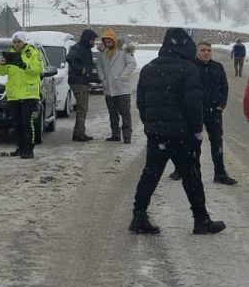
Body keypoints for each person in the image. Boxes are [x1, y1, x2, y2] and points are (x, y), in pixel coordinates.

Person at [129, 28, 225, 235]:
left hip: (157, 134)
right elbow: (193, 104)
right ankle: (201, 220)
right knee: (192, 176)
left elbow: (141, 102)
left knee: (150, 174)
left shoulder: (149, 68)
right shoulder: (188, 69)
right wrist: (197, 130)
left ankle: (139, 215)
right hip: (182, 134)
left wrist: (150, 124)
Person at [169, 42, 236, 185]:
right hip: (194, 111)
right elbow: (181, 88)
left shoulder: (218, 67)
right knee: (189, 142)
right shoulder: (189, 67)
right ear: (196, 52)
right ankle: (182, 170)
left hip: (214, 111)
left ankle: (220, 173)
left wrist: (222, 104)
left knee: (217, 142)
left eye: (209, 50)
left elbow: (224, 86)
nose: (206, 52)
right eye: (203, 50)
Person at [0, 31, 43, 159]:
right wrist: (1, 63)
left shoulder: (32, 53)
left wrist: (24, 65)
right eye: (14, 42)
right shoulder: (10, 54)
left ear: (24, 42)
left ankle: (29, 149)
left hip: (29, 94)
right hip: (14, 95)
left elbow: (38, 70)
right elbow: (0, 72)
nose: (16, 44)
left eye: (19, 42)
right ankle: (20, 147)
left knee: (27, 122)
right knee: (17, 123)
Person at [96, 29, 138, 143]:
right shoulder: (103, 53)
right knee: (112, 113)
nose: (108, 44)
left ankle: (127, 135)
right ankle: (115, 134)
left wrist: (122, 77)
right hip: (108, 89)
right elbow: (99, 65)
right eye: (106, 42)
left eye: (110, 42)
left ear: (114, 41)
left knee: (125, 113)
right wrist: (102, 79)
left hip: (122, 89)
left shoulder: (123, 51)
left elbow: (132, 64)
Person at [66, 29, 99, 141]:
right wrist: (80, 69)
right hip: (78, 82)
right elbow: (69, 58)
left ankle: (79, 132)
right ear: (88, 39)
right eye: (93, 40)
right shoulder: (79, 47)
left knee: (82, 108)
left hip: (81, 81)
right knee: (82, 108)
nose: (94, 42)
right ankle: (79, 134)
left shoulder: (84, 48)